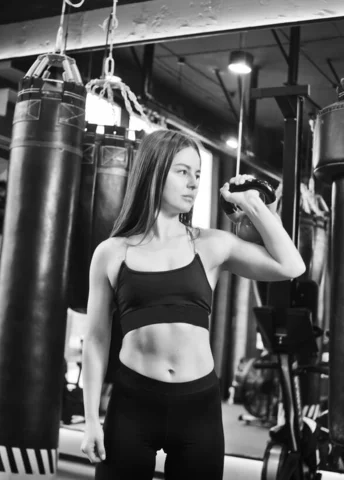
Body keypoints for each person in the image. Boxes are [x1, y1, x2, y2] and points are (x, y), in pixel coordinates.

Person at [80, 129, 305, 480]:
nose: (193, 183)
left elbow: (291, 266)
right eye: (182, 171)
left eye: (198, 174)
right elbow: (95, 340)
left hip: (197, 406)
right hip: (133, 403)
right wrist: (91, 419)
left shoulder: (210, 245)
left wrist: (252, 203)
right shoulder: (112, 253)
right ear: (154, 172)